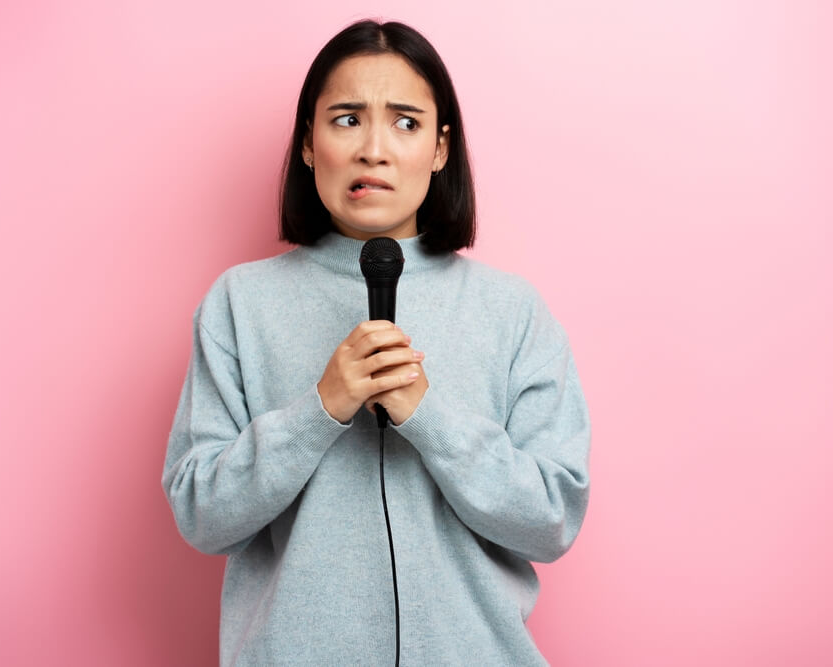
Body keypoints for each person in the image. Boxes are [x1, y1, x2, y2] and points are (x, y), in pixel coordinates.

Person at [162, 19, 591, 666]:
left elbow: (552, 519)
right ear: (309, 143)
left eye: (406, 122)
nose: (374, 150)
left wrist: (429, 416)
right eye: (346, 119)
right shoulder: (239, 304)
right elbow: (202, 515)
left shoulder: (512, 311)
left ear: (440, 149)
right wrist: (320, 410)